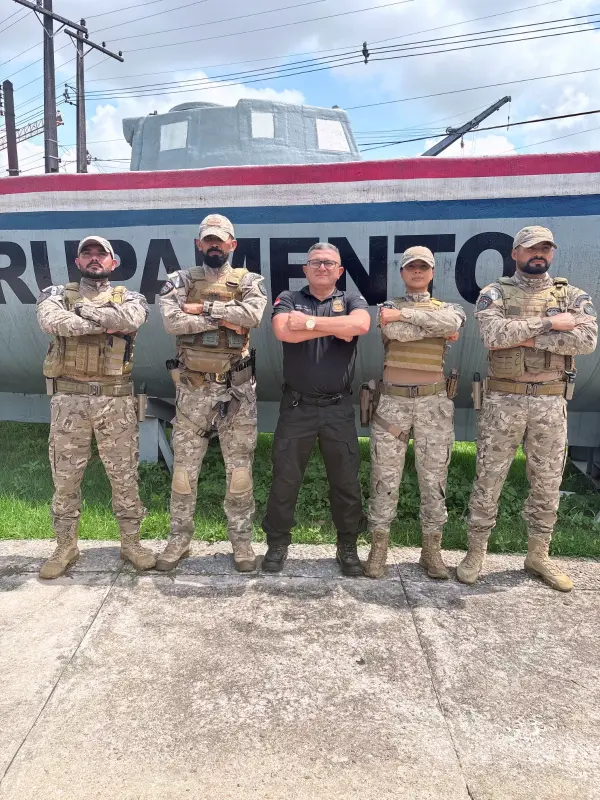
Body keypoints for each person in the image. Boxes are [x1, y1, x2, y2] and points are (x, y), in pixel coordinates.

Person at [457, 226, 597, 592]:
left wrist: (523, 335)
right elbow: (493, 336)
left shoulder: (572, 295)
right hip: (504, 401)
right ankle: (475, 552)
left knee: (548, 483)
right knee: (489, 478)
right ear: (515, 253)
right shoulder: (495, 293)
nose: (539, 254)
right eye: (532, 248)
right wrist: (551, 324)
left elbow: (586, 340)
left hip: (550, 401)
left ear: (552, 254)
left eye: (546, 249)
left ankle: (538, 555)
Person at [36, 235, 154, 579]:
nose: (94, 258)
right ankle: (65, 546)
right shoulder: (56, 295)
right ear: (78, 262)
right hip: (69, 401)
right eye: (87, 253)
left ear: (112, 263)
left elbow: (130, 320)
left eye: (101, 254)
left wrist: (85, 314)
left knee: (124, 475)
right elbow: (52, 322)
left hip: (115, 400)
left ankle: (131, 544)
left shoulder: (131, 298)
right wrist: (105, 322)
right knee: (65, 477)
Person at [157, 214, 267, 572]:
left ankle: (242, 543)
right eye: (208, 240)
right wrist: (226, 318)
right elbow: (173, 322)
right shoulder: (180, 280)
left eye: (220, 240)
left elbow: (252, 316)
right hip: (194, 389)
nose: (214, 245)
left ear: (232, 244)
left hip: (237, 390)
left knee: (240, 471)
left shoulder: (249, 281)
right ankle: (178, 540)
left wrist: (202, 308)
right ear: (199, 244)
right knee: (184, 471)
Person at [261, 242, 371, 576]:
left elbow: (360, 326)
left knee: (346, 481)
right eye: (315, 263)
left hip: (338, 408)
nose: (322, 267)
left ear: (340, 271)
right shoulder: (289, 297)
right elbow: (283, 331)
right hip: (298, 407)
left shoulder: (352, 299)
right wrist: (336, 327)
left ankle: (347, 545)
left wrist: (307, 324)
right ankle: (277, 543)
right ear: (305, 269)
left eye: (329, 263)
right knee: (285, 479)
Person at [365, 246, 465, 579]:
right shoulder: (387, 307)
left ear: (432, 272)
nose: (417, 272)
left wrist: (408, 317)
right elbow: (395, 332)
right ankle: (379, 549)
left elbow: (452, 322)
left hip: (433, 405)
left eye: (423, 267)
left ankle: (431, 551)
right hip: (393, 403)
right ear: (403, 272)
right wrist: (434, 328)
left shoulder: (449, 308)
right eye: (411, 267)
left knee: (434, 479)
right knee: (384, 478)